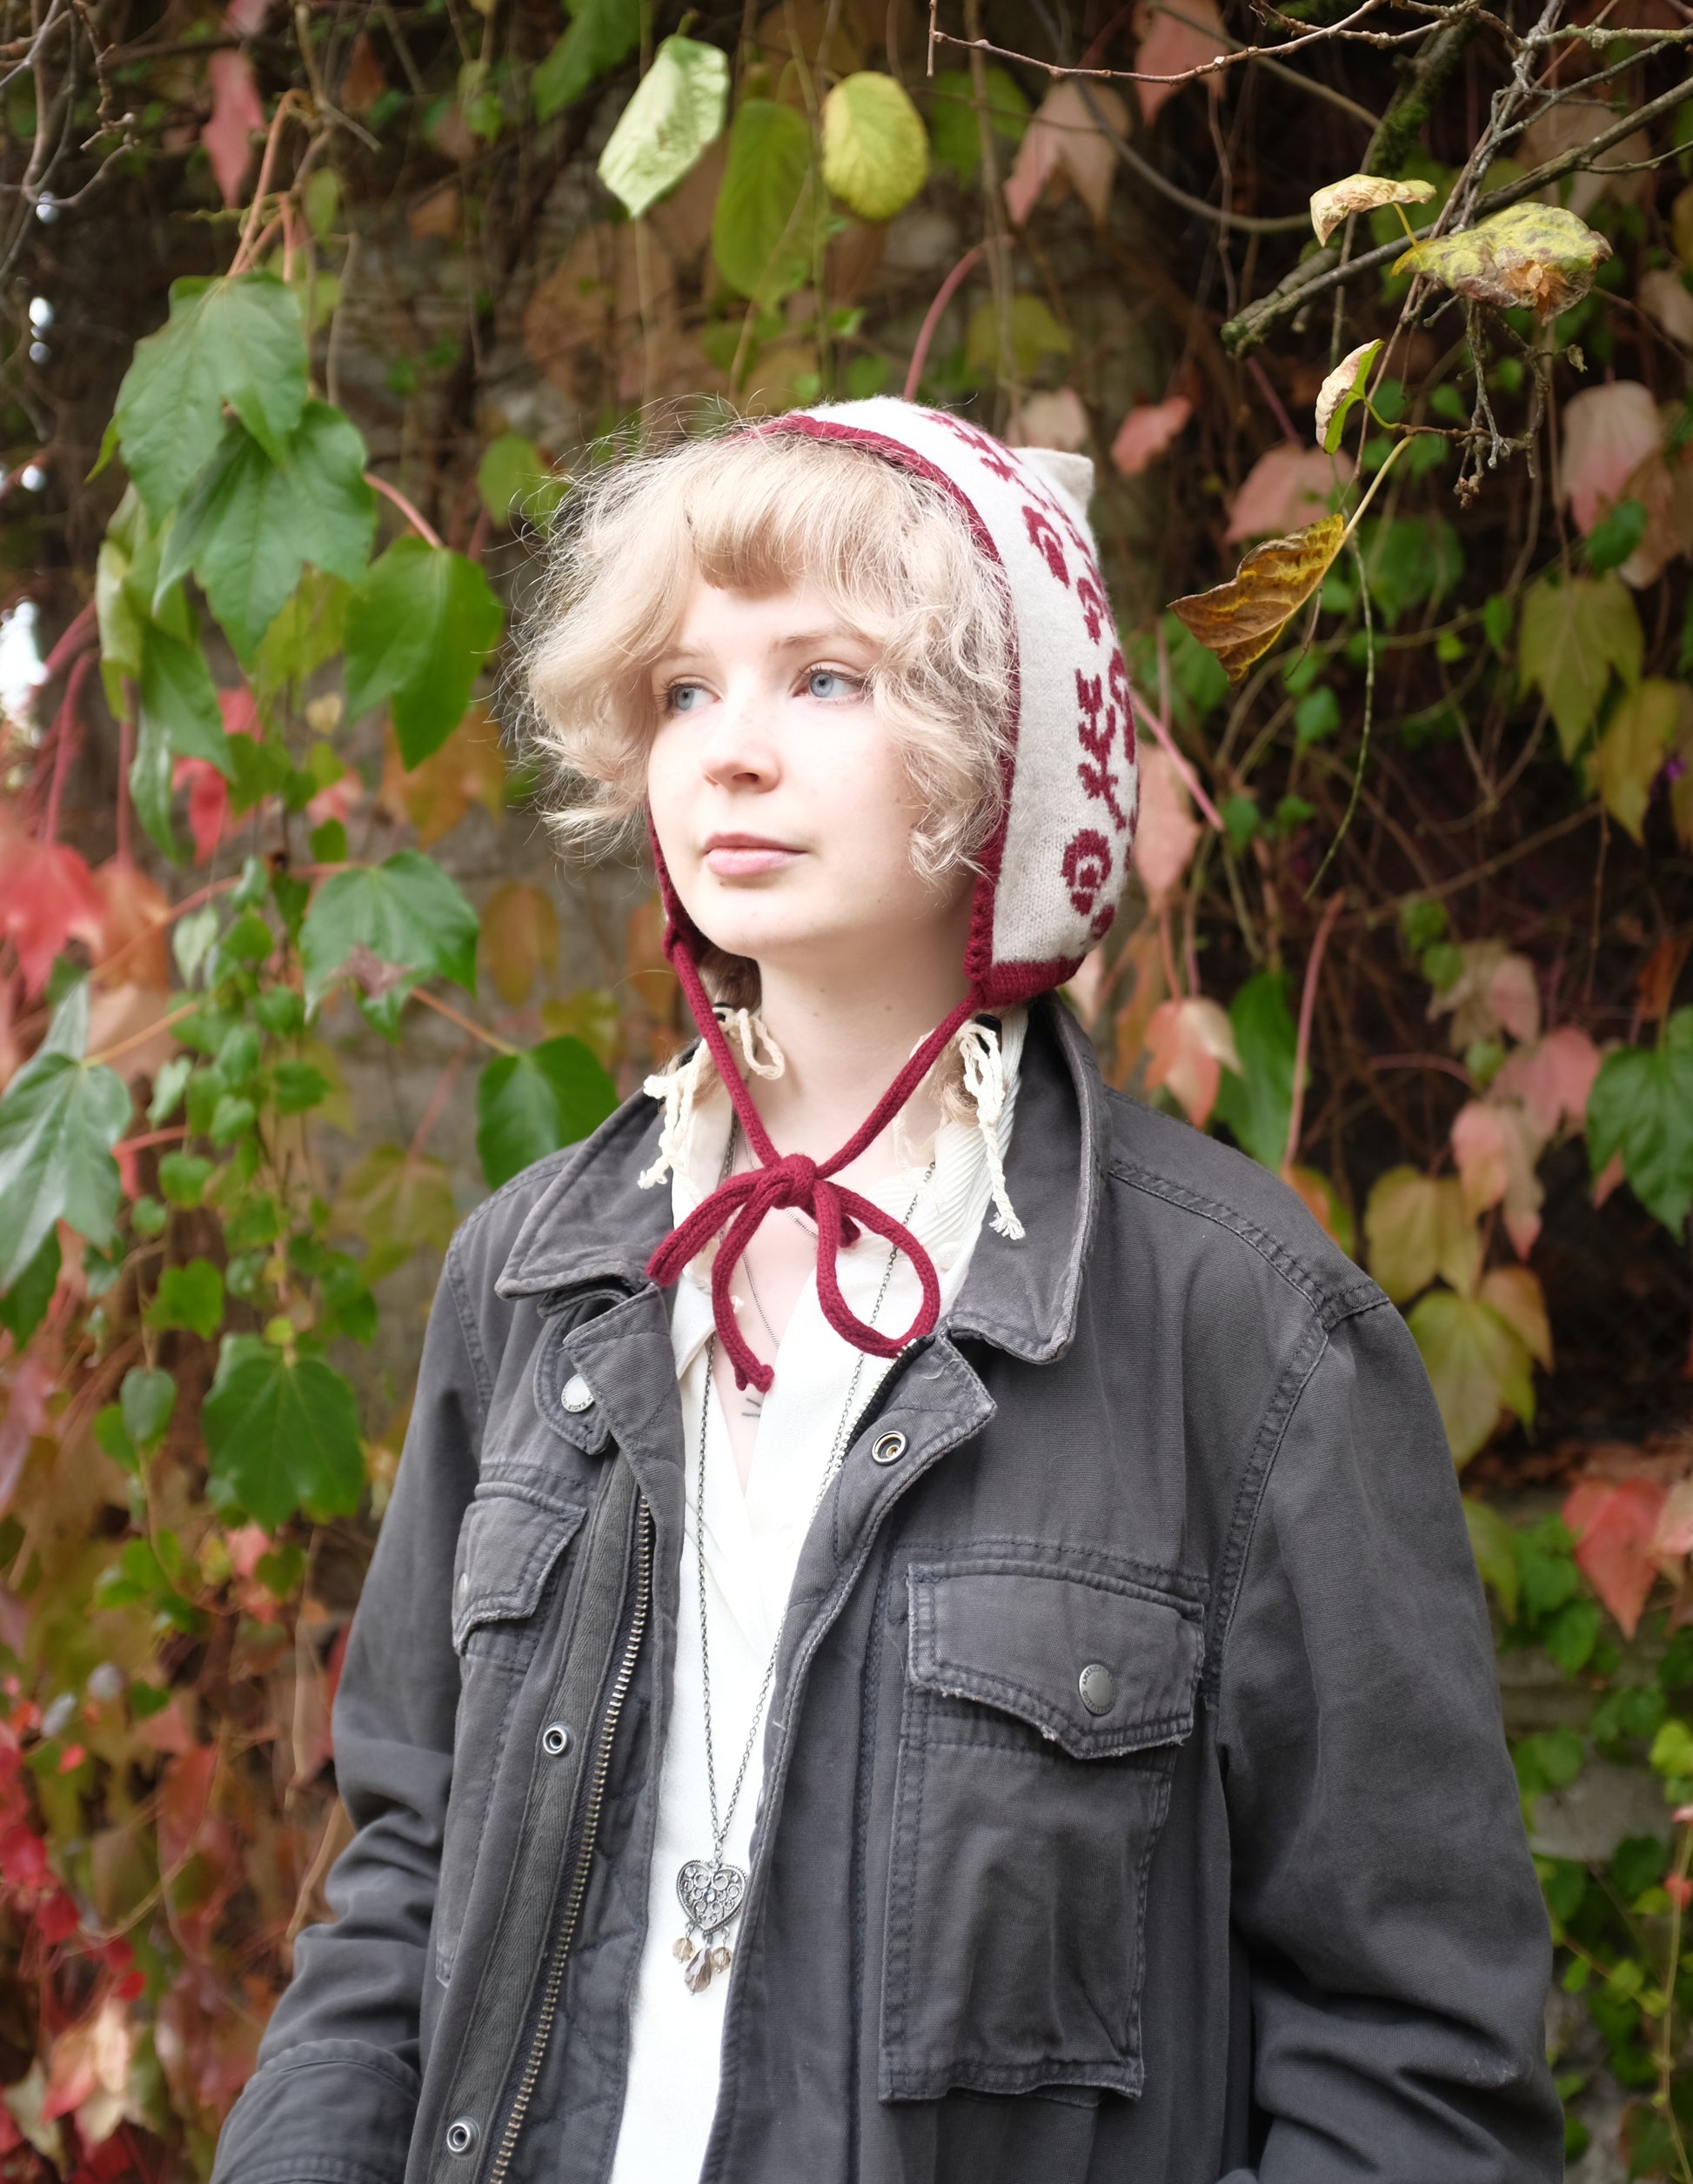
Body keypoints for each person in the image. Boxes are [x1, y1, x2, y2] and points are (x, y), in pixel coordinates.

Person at [211, 397, 1562, 2184]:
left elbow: (1415, 2070)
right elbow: (401, 1871)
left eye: (823, 677)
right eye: (683, 687)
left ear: (1002, 744)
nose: (726, 751)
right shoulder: (530, 1276)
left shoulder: (1242, 1328)